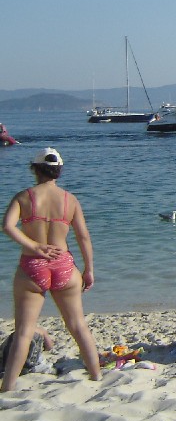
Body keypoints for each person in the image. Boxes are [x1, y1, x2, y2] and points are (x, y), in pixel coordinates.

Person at [1, 147, 101, 391]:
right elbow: (83, 237)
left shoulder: (24, 197)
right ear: (59, 171)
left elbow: (8, 226)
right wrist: (88, 269)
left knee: (24, 331)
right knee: (78, 325)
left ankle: (8, 387)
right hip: (64, 265)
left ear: (35, 169)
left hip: (33, 266)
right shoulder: (70, 200)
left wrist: (34, 246)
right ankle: (96, 376)